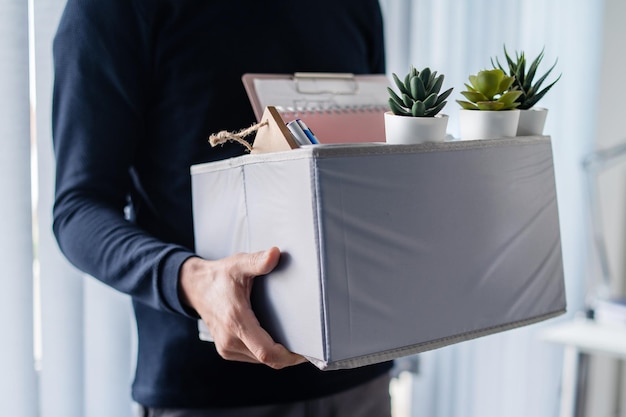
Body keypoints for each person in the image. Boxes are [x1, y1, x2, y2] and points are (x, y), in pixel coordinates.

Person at [52, 0, 392, 415]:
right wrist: (192, 279)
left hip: (361, 378)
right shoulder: (112, 10)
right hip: (208, 392)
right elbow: (78, 208)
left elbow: (370, 168)